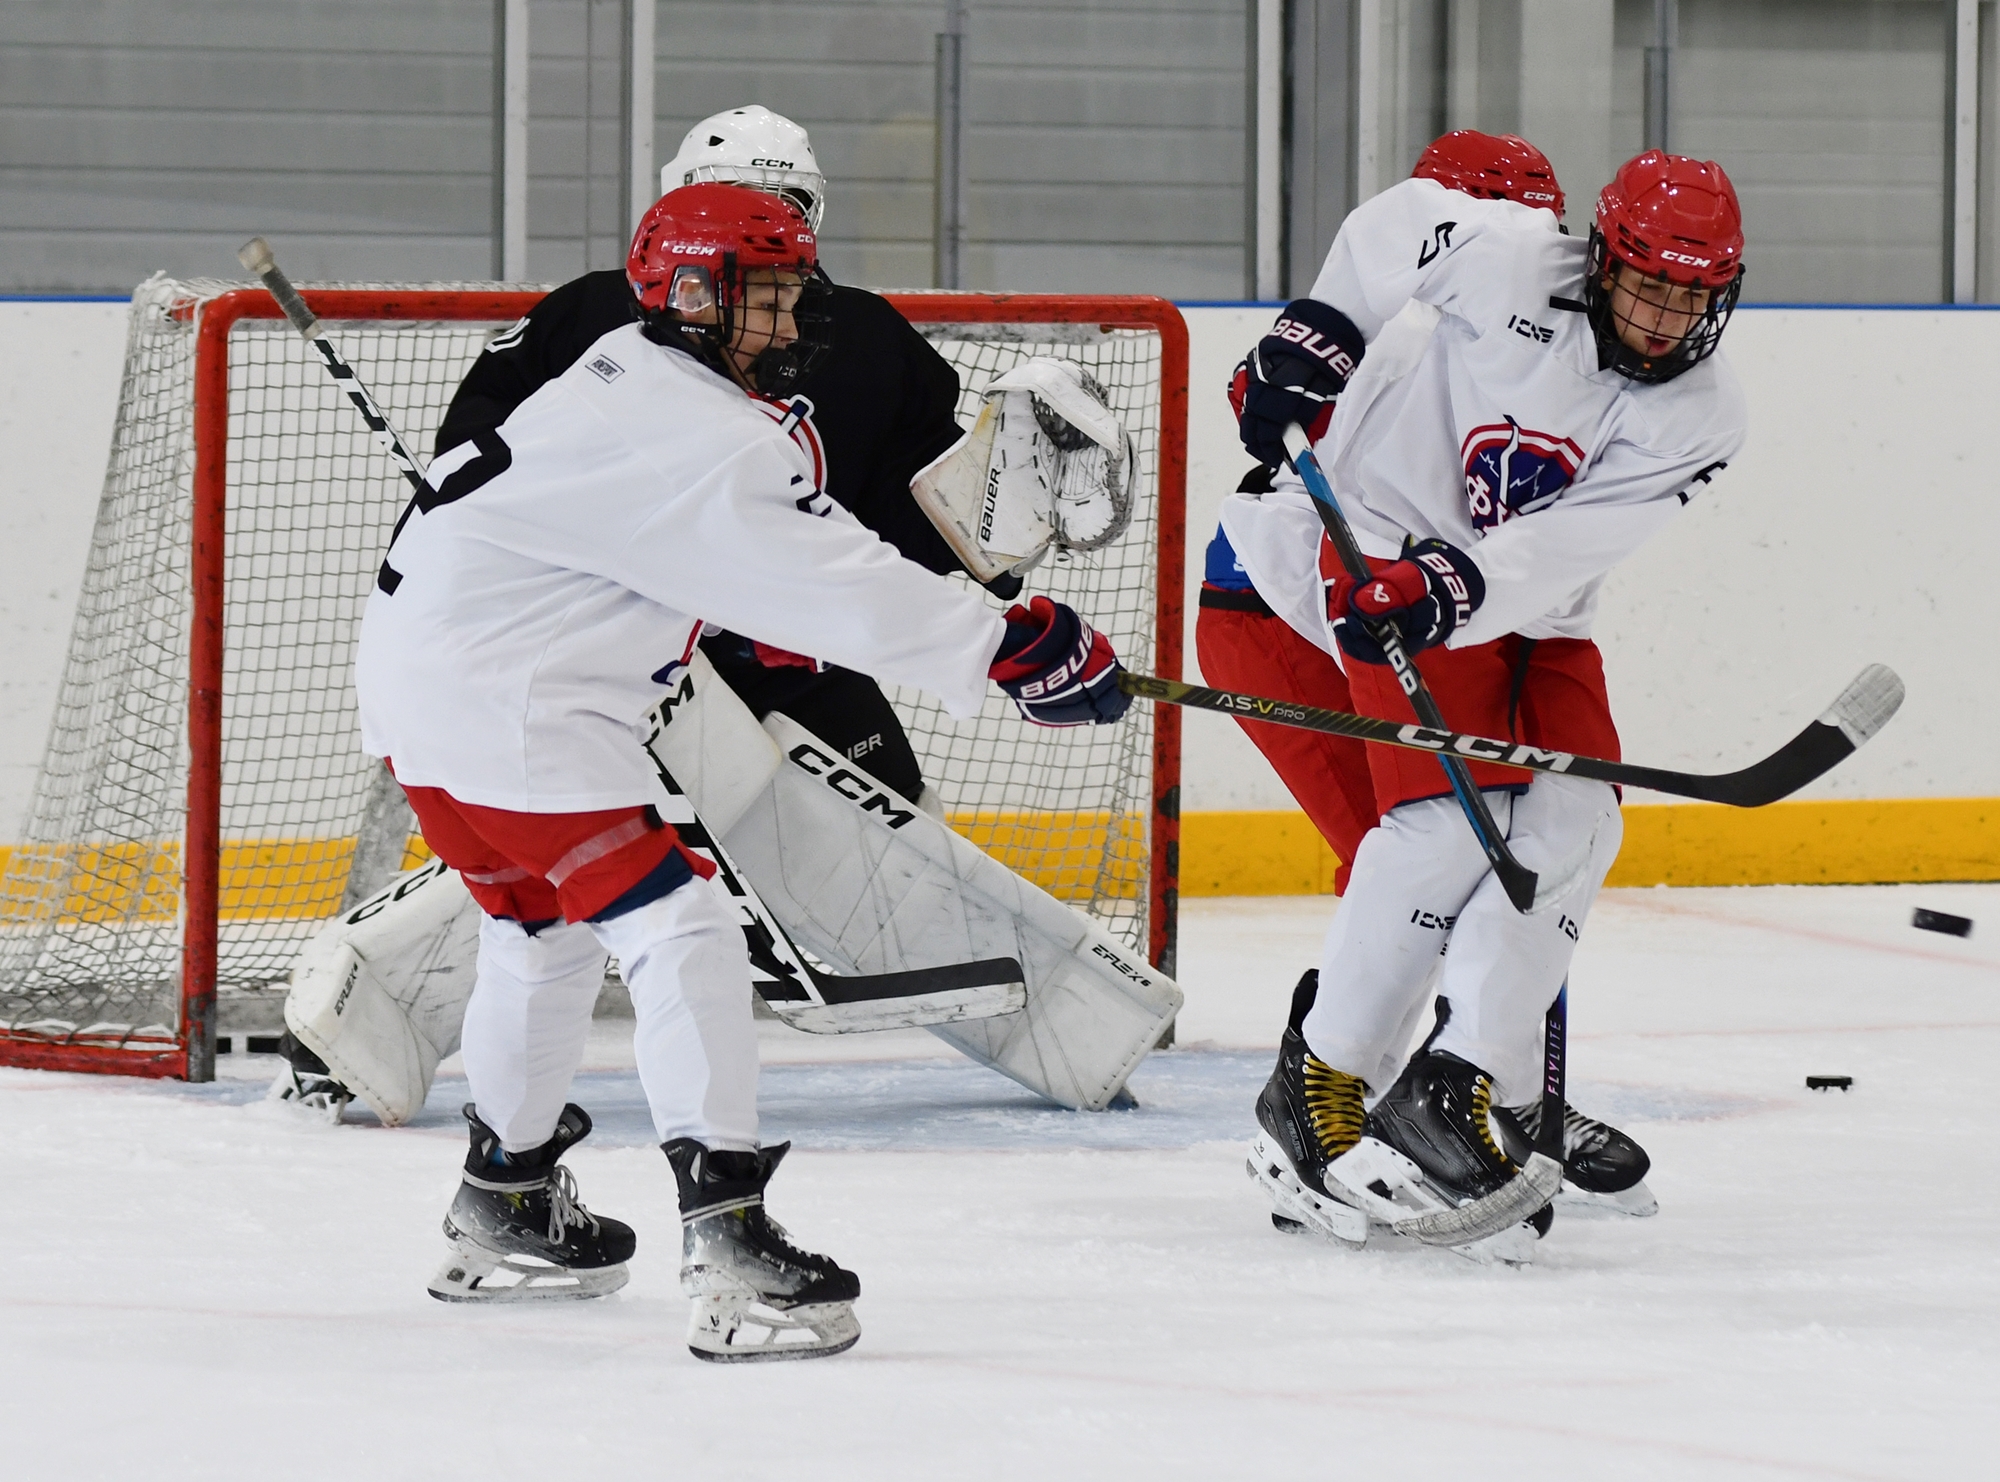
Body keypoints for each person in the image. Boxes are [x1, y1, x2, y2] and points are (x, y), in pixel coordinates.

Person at [356, 183, 1129, 1356]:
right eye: (761, 297)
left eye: (789, 294)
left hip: (427, 697)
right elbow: (831, 577)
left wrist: (749, 614)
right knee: (683, 930)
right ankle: (726, 1237)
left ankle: (503, 1200)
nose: (787, 321)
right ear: (687, 294)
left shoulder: (625, 373)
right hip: (514, 711)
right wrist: (1009, 645)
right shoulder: (700, 432)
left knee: (538, 932)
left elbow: (660, 553)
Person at [1230, 148, 1746, 1252]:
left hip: (1526, 608)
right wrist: (1316, 329)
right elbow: (1399, 223)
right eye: (1648, 285)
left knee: (1578, 816)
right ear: (1600, 259)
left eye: (1692, 296)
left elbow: (1570, 544)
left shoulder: (1704, 414)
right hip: (1381, 551)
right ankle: (1318, 1086)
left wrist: (1458, 586)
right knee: (1442, 829)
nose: (1665, 319)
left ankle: (1456, 1085)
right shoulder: (1510, 258)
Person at [439, 103, 1007, 808]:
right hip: (625, 662)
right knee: (619, 844)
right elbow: (481, 463)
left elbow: (913, 507)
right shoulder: (589, 317)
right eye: (736, 199)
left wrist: (998, 517)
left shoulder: (861, 334)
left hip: (793, 655)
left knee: (904, 832)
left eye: (784, 205)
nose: (762, 225)